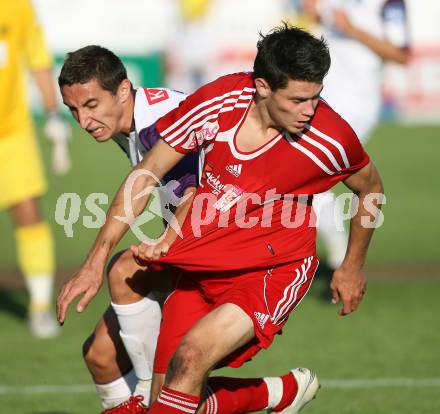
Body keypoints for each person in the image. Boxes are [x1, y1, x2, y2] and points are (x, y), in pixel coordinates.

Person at [58, 25, 384, 414]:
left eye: (315, 97)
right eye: (298, 99)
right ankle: (276, 394)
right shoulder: (217, 102)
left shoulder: (329, 138)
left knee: (186, 355)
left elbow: (371, 188)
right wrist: (94, 259)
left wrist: (352, 265)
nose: (310, 110)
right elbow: (146, 174)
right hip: (204, 259)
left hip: (271, 267)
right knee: (159, 385)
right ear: (262, 87)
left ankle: (146, 395)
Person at [57, 44, 198, 412]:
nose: (83, 121)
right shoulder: (129, 121)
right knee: (100, 356)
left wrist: (164, 244)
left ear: (123, 90)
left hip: (231, 239)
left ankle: (149, 393)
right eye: (73, 110)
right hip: (194, 234)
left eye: (90, 106)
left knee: (122, 271)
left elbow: (198, 195)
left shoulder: (158, 125)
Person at [301, 0, 409, 271]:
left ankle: (340, 260)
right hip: (323, 99)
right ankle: (335, 259)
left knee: (311, 177)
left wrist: (352, 29)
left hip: (357, 105)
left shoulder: (389, 4)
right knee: (305, 179)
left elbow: (402, 55)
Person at [0, 0, 71, 338]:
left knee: (28, 213)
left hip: (12, 134)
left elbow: (38, 59)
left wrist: (53, 114)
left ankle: (40, 306)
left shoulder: (18, 7)